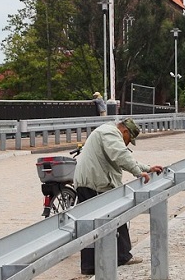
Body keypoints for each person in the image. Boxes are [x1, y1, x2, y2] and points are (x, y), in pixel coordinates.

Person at [73, 118, 163, 275]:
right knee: (92, 225)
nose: (128, 144)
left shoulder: (108, 132)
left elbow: (125, 157)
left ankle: (120, 256)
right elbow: (120, 155)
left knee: (114, 217)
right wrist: (137, 172)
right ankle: (91, 266)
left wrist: (147, 168)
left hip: (97, 183)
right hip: (93, 184)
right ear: (125, 131)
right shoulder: (109, 133)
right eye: (129, 140)